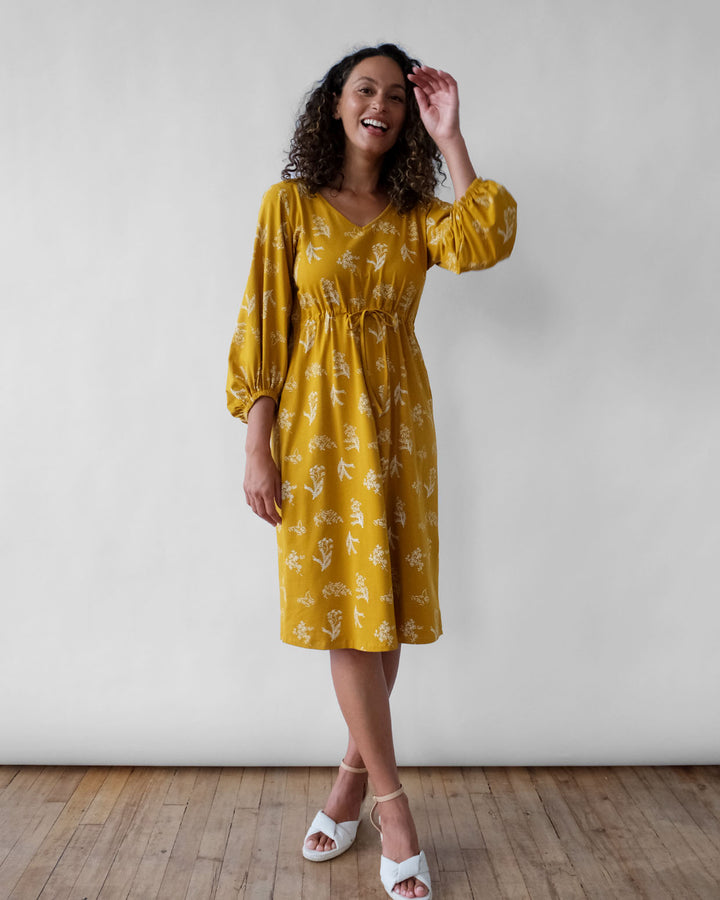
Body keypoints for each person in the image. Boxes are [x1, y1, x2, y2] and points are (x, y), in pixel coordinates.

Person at [227, 42, 516, 900]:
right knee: (347, 620)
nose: (380, 105)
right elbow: (263, 325)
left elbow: (487, 238)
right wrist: (256, 445)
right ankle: (394, 810)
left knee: (379, 617)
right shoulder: (289, 205)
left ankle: (349, 783)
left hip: (397, 432)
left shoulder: (417, 214)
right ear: (336, 102)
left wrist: (452, 136)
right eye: (365, 89)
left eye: (395, 95)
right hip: (316, 434)